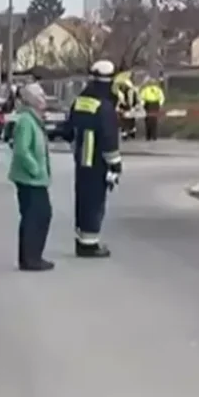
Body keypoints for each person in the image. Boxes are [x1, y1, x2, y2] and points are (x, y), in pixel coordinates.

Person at [67, 59, 122, 258]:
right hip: (97, 161)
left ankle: (82, 240)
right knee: (95, 201)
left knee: (83, 200)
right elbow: (109, 138)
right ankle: (90, 244)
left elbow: (68, 128)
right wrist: (115, 165)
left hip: (81, 159)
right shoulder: (105, 106)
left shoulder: (81, 100)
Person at [8, 82, 53, 271]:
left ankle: (31, 257)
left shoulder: (34, 118)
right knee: (37, 216)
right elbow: (21, 150)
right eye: (40, 95)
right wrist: (35, 169)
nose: (44, 99)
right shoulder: (26, 120)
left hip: (34, 178)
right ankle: (31, 258)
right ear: (31, 100)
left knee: (36, 216)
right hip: (30, 179)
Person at [112, 63, 138, 140]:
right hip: (124, 104)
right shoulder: (120, 85)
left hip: (128, 103)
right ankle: (126, 133)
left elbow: (133, 94)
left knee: (129, 119)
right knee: (125, 119)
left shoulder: (126, 85)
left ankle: (130, 132)